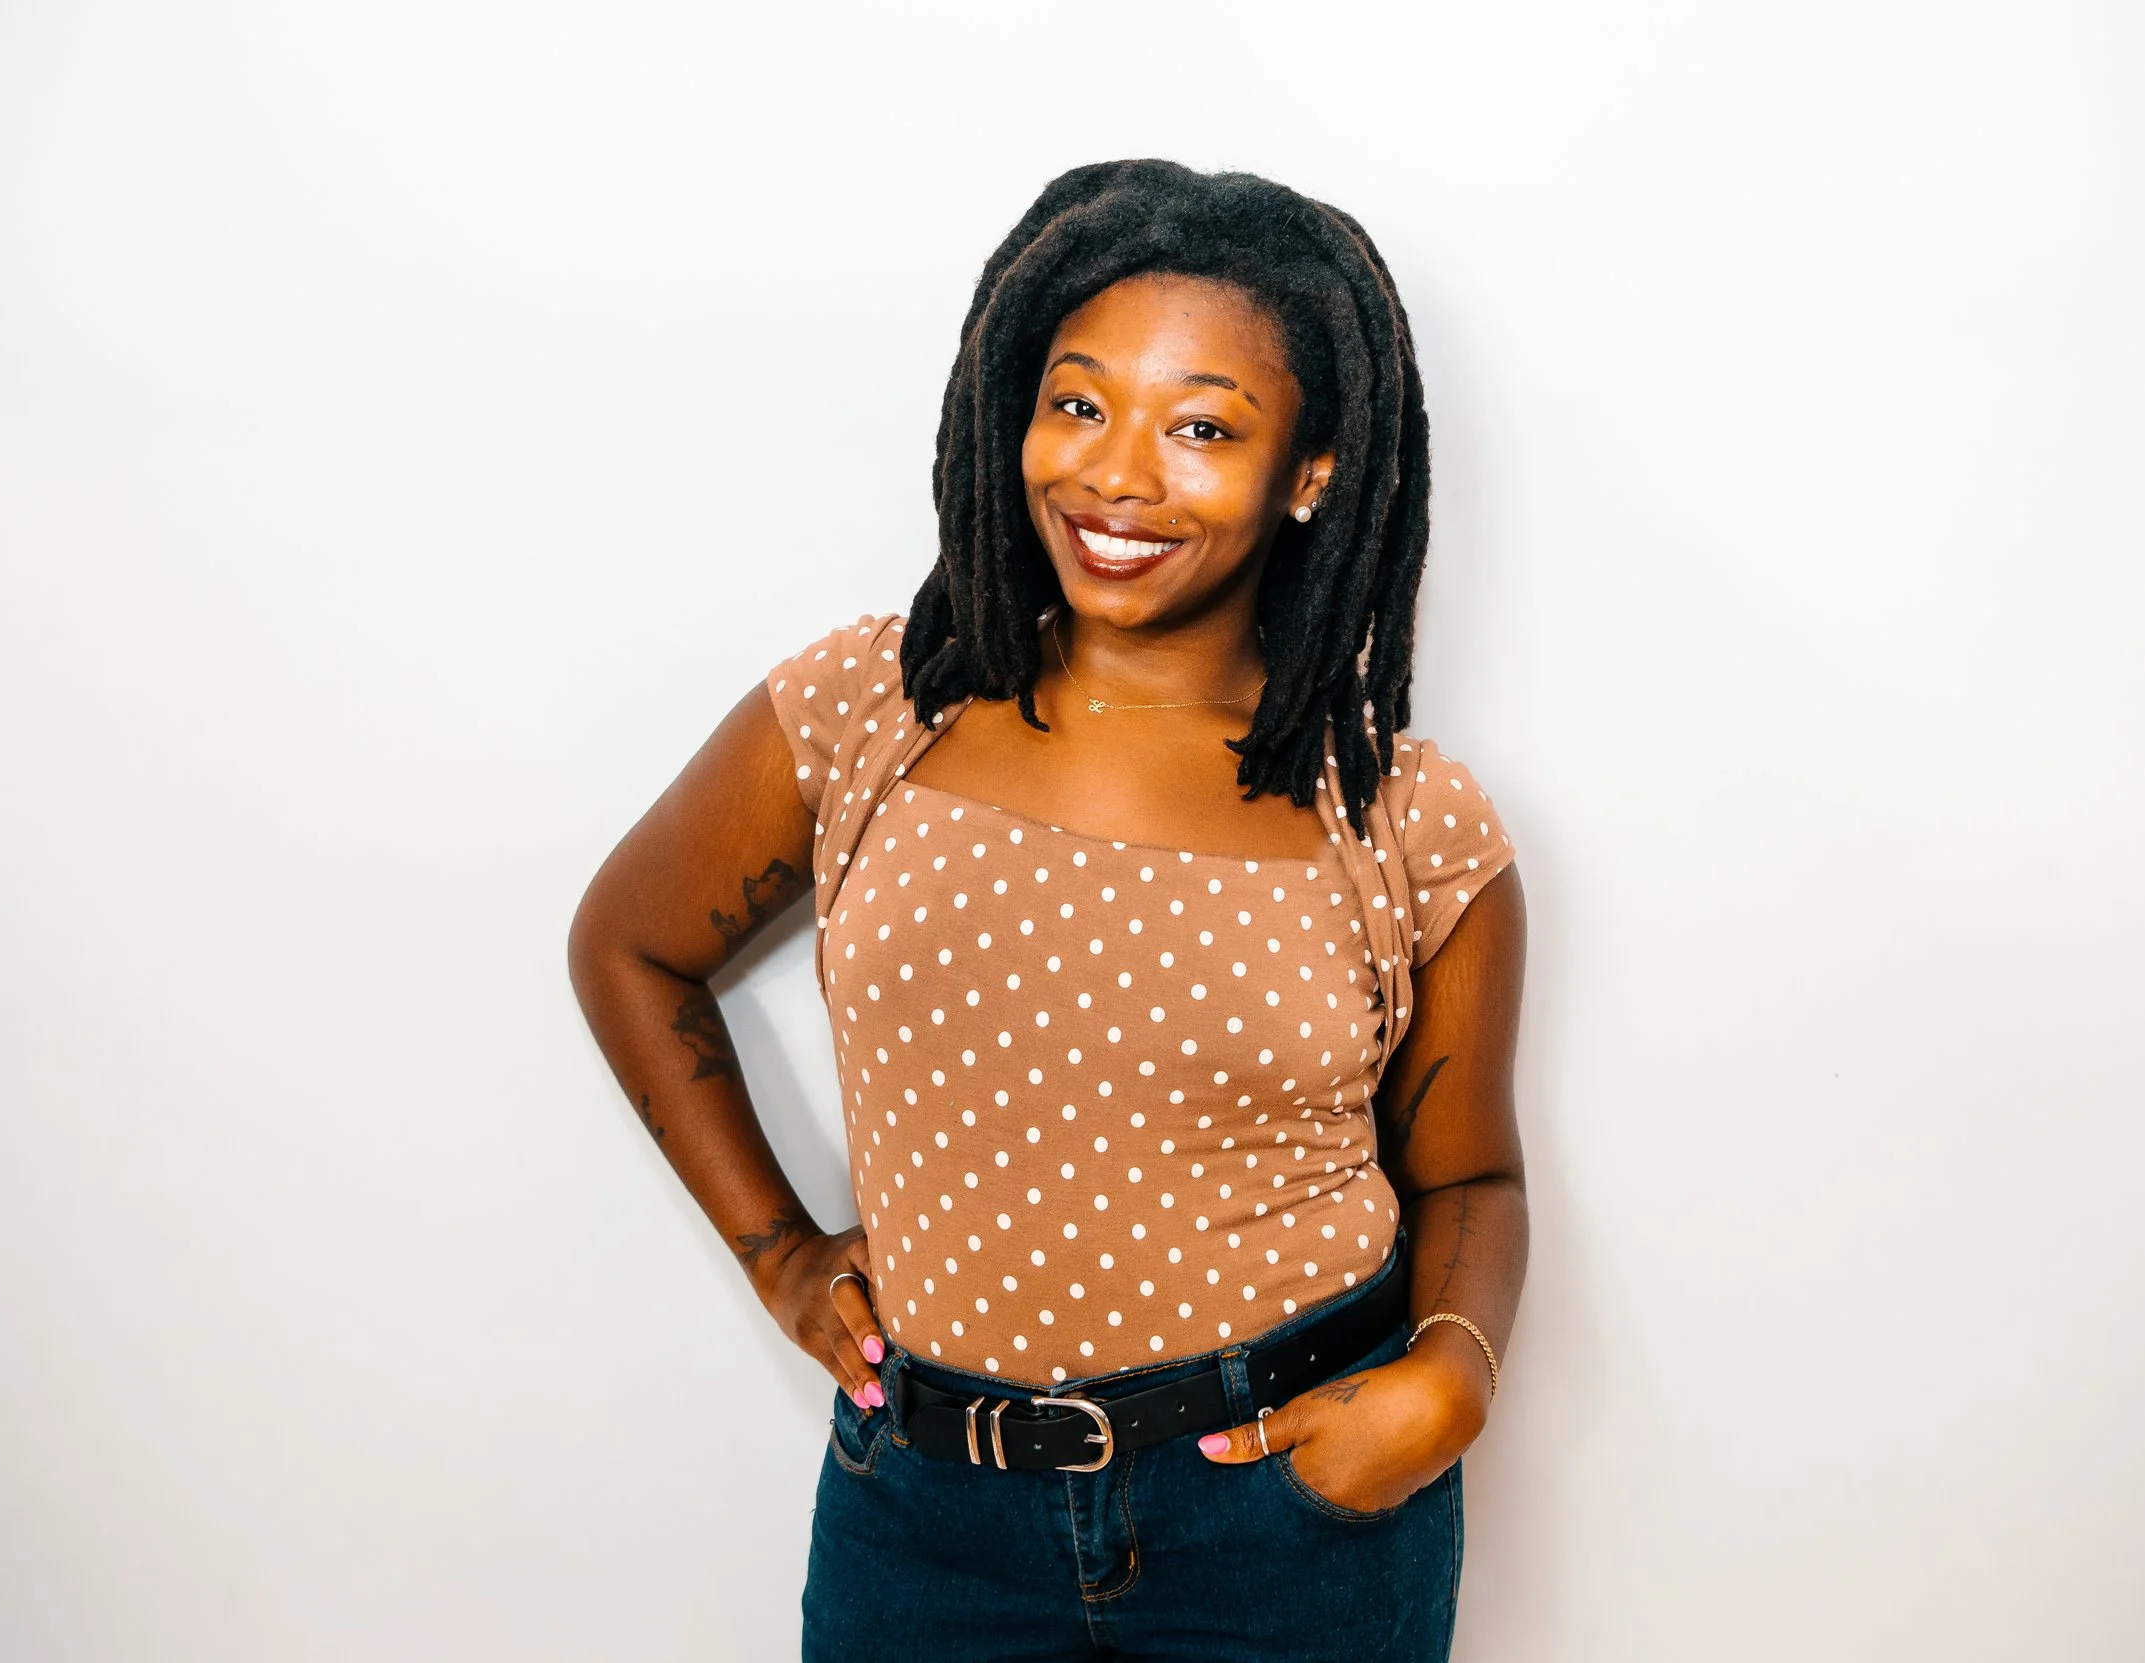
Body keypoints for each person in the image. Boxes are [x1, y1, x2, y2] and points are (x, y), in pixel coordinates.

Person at [568, 159, 1528, 1662]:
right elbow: (629, 947)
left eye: (1203, 426)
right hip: (927, 1511)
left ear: (1314, 472)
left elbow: (1470, 1177)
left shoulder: (1403, 816)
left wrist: (1453, 1373)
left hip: (1286, 1509)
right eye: (1078, 404)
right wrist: (780, 1254)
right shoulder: (871, 711)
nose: (1118, 474)